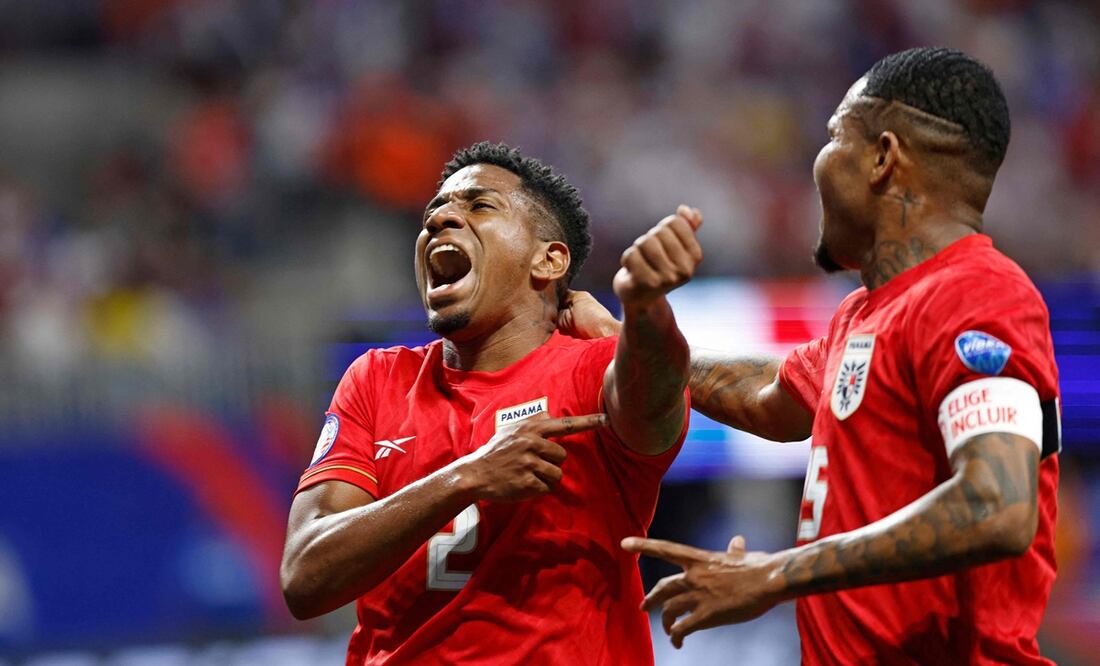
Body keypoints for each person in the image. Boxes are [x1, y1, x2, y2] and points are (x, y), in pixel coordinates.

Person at [560, 47, 1061, 665]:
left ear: (882, 157)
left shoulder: (979, 294)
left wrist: (773, 576)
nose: (818, 162)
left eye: (833, 137)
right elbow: (773, 400)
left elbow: (997, 506)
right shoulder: (866, 313)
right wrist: (624, 337)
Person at [280, 141, 704, 664]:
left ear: (548, 260)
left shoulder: (592, 369)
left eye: (479, 206)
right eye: (434, 211)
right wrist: (465, 477)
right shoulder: (377, 379)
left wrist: (645, 312)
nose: (440, 221)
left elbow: (656, 387)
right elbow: (304, 577)